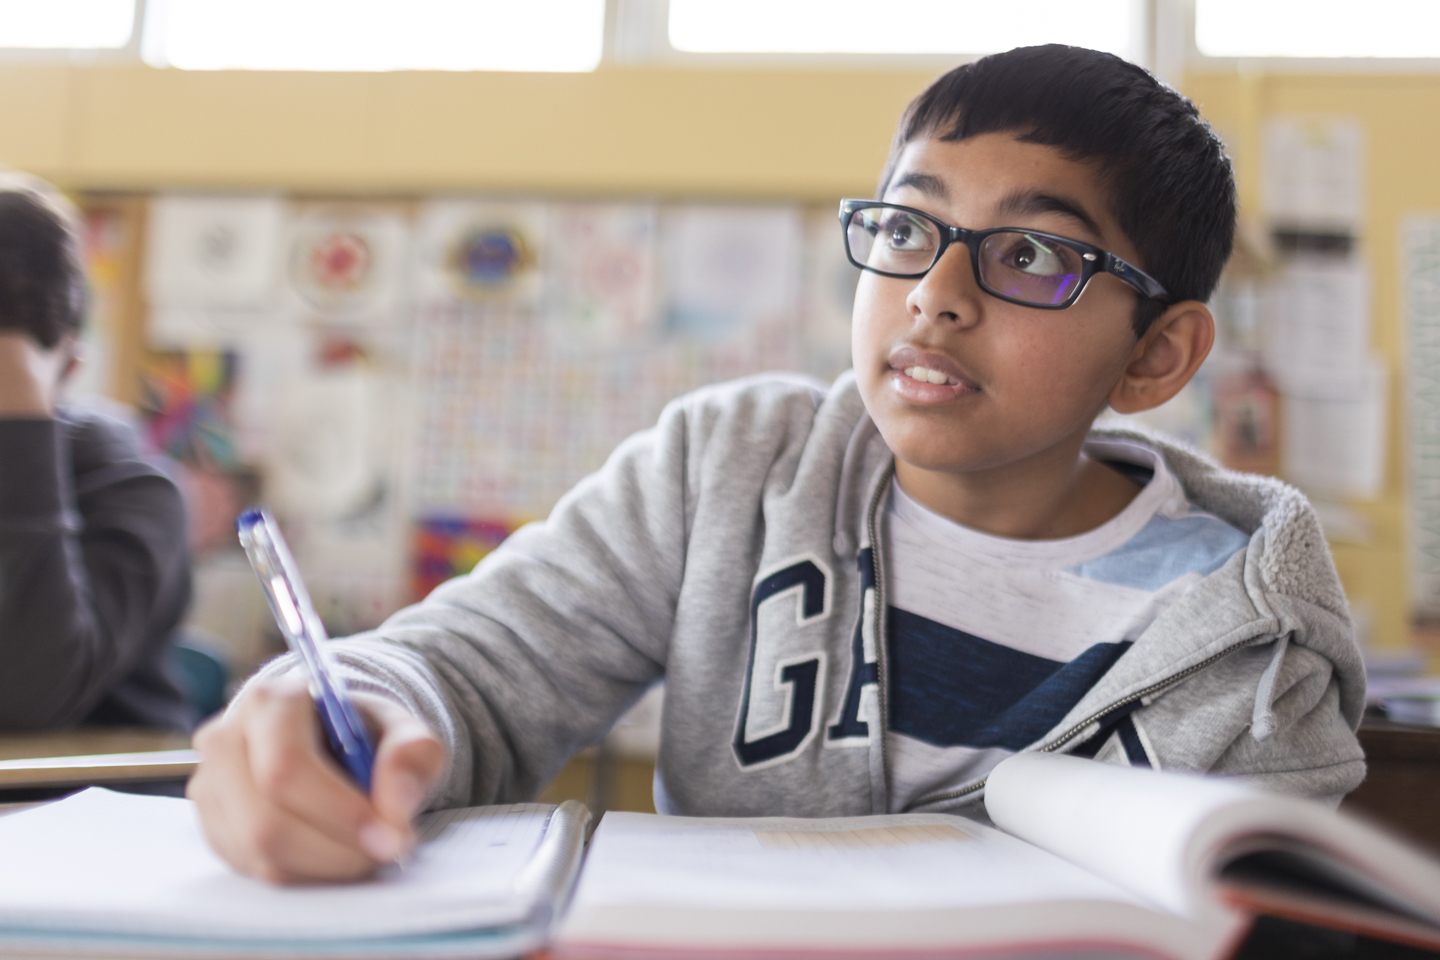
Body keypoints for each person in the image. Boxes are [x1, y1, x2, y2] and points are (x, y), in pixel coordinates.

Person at [187, 45, 1365, 884]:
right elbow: (483, 664)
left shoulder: (1252, 654)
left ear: (1158, 353)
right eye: (907, 229)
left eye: (1029, 254)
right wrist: (355, 710)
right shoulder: (732, 469)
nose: (936, 295)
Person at [0, 173, 194, 731]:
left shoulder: (133, 487)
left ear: (66, 373)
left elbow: (23, 702)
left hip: (96, 805)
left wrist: (19, 420)